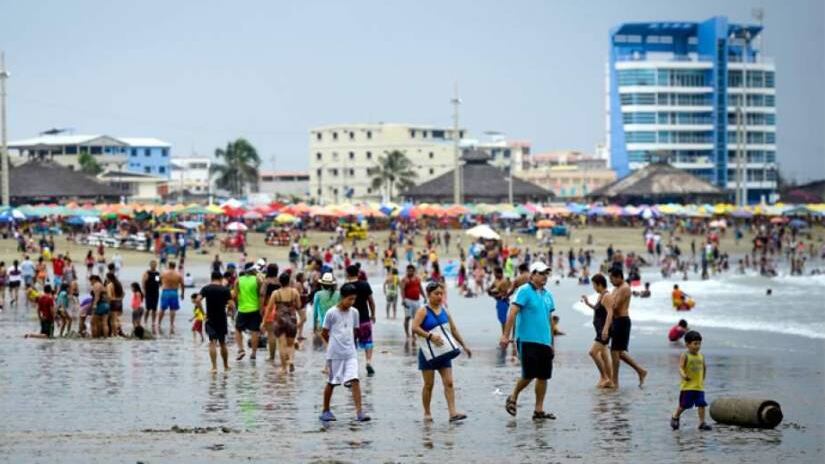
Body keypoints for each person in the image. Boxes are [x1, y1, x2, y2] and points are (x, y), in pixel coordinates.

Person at [500, 261, 557, 420]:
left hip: (544, 341)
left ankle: (538, 411)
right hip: (526, 339)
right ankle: (513, 397)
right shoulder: (523, 291)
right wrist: (506, 335)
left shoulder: (548, 295)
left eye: (546, 273)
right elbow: (512, 313)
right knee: (529, 374)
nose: (544, 276)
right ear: (532, 275)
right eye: (541, 273)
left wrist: (552, 343)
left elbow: (549, 319)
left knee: (543, 376)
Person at [411, 281, 472, 422]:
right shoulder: (423, 310)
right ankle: (427, 412)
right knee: (428, 384)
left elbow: (454, 329)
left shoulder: (444, 310)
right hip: (428, 354)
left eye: (441, 293)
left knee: (449, 382)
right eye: (436, 294)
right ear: (428, 295)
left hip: (444, 352)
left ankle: (453, 413)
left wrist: (464, 345)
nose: (439, 296)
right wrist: (430, 336)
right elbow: (414, 328)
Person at [319, 283, 371, 423]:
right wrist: (333, 344)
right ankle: (325, 410)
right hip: (335, 354)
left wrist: (350, 345)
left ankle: (359, 412)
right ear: (342, 297)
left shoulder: (354, 312)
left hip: (350, 353)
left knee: (355, 380)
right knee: (332, 382)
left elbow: (354, 331)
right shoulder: (331, 313)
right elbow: (324, 332)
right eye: (349, 299)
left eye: (353, 299)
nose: (351, 302)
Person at [608, 268, 647, 388]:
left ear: (619, 277)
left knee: (615, 351)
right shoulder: (615, 288)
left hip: (622, 321)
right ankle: (640, 370)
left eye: (612, 279)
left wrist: (606, 304)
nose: (611, 282)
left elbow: (614, 305)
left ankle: (615, 382)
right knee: (618, 352)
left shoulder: (625, 288)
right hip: (615, 321)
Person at [671, 331, 712, 431]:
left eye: (699, 343)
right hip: (687, 387)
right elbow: (680, 367)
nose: (697, 346)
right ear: (687, 344)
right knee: (684, 405)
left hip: (699, 386)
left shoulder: (701, 356)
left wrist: (703, 379)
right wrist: (684, 375)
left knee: (701, 404)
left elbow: (704, 367)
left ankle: (702, 423)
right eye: (695, 344)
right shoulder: (685, 355)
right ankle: (675, 416)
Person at [580, 273, 614, 388]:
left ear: (599, 284)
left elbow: (610, 313)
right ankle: (609, 380)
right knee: (604, 354)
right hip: (600, 330)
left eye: (594, 285)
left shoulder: (607, 296)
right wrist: (587, 302)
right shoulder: (601, 295)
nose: (593, 287)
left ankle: (605, 377)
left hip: (603, 331)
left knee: (593, 352)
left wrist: (605, 329)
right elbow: (597, 309)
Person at [264, 272, 301, 373]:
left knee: (282, 345)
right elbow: (298, 305)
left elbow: (269, 308)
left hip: (279, 320)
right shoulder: (295, 292)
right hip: (292, 319)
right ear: (289, 281)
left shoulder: (276, 293)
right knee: (291, 344)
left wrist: (263, 322)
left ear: (280, 282)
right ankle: (291, 360)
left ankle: (284, 368)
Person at [198, 271, 232, 373]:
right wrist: (229, 311)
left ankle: (214, 367)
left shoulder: (206, 288)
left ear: (211, 278)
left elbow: (198, 300)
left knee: (212, 342)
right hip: (222, 318)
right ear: (221, 278)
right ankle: (226, 366)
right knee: (222, 343)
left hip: (210, 318)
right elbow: (232, 305)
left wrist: (204, 314)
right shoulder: (225, 289)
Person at [346, 265, 377, 376]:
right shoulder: (365, 284)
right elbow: (371, 301)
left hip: (350, 321)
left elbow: (343, 304)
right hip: (364, 318)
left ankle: (353, 365)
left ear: (347, 274)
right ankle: (368, 362)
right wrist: (373, 315)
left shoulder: (346, 287)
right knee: (368, 341)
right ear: (358, 273)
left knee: (351, 343)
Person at [234, 262, 263, 361]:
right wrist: (261, 309)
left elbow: (235, 295)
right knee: (255, 331)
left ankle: (241, 349)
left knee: (238, 329)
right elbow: (260, 295)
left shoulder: (238, 280)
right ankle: (254, 353)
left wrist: (238, 306)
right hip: (255, 309)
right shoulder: (257, 280)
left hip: (242, 309)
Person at [158, 261, 185, 334]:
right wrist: (182, 294)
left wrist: (160, 284)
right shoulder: (178, 274)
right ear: (175, 266)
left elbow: (157, 280)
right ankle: (171, 324)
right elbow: (182, 285)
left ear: (169, 266)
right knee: (172, 309)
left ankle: (159, 323)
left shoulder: (164, 273)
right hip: (174, 292)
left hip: (165, 291)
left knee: (162, 308)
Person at [400, 264, 425, 341]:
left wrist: (425, 297)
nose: (410, 272)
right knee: (407, 317)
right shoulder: (404, 279)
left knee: (416, 319)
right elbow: (402, 290)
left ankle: (413, 334)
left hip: (417, 300)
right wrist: (403, 300)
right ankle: (407, 334)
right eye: (409, 270)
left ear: (414, 271)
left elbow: (420, 288)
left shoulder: (417, 279)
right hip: (408, 300)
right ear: (407, 271)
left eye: (412, 270)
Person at [487, 267, 512, 334]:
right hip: (498, 301)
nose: (494, 275)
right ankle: (504, 333)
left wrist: (493, 294)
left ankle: (505, 334)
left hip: (503, 301)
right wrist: (490, 291)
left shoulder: (504, 281)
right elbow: (490, 288)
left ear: (499, 273)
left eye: (495, 273)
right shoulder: (496, 280)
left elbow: (503, 294)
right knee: (501, 319)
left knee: (503, 319)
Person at [142, 260, 161, 330]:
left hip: (155, 292)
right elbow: (143, 282)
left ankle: (153, 322)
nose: (154, 266)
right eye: (152, 265)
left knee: (154, 308)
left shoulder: (157, 273)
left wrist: (160, 283)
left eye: (155, 265)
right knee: (148, 308)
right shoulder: (147, 273)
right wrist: (144, 291)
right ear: (150, 265)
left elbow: (158, 282)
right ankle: (145, 321)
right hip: (148, 292)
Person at [106, 272, 125, 337]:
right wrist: (119, 299)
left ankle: (115, 334)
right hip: (119, 302)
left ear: (108, 278)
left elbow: (109, 296)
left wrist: (109, 303)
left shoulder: (109, 285)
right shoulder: (118, 284)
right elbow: (123, 294)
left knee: (113, 320)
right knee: (117, 318)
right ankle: (120, 331)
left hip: (113, 303)